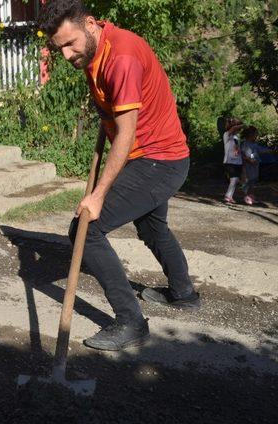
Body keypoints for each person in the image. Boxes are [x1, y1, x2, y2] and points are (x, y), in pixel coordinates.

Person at [38, 0, 200, 351]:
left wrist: (97, 196)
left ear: (91, 24)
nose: (66, 55)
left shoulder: (121, 57)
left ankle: (131, 321)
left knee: (86, 228)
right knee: (152, 226)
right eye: (58, 47)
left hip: (158, 160)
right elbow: (113, 109)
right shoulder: (95, 49)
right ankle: (184, 293)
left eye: (70, 44)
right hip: (159, 155)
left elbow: (126, 135)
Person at [222, 117, 244, 203]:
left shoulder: (237, 137)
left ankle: (230, 196)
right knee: (234, 179)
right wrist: (244, 125)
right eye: (239, 127)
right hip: (229, 161)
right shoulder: (227, 134)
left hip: (238, 161)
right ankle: (228, 196)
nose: (240, 129)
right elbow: (234, 128)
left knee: (236, 180)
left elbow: (238, 148)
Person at [241, 126, 260, 205]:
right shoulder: (245, 144)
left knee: (253, 181)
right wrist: (250, 160)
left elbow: (254, 153)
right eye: (255, 134)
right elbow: (244, 155)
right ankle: (246, 197)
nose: (256, 136)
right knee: (247, 182)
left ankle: (251, 196)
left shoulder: (254, 144)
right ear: (250, 135)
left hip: (254, 166)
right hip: (248, 166)